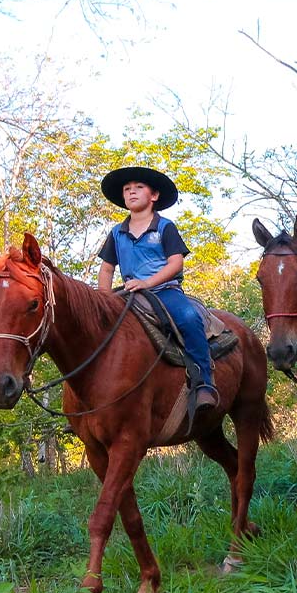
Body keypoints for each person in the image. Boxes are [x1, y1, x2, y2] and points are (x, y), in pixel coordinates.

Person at [97, 166, 219, 413]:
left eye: (138, 187)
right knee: (95, 329)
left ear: (154, 196)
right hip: (129, 293)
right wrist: (103, 299)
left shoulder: (165, 227)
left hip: (165, 291)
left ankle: (203, 383)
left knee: (189, 318)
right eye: (127, 189)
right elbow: (107, 268)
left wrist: (147, 283)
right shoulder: (116, 232)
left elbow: (176, 263)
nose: (131, 192)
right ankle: (93, 401)